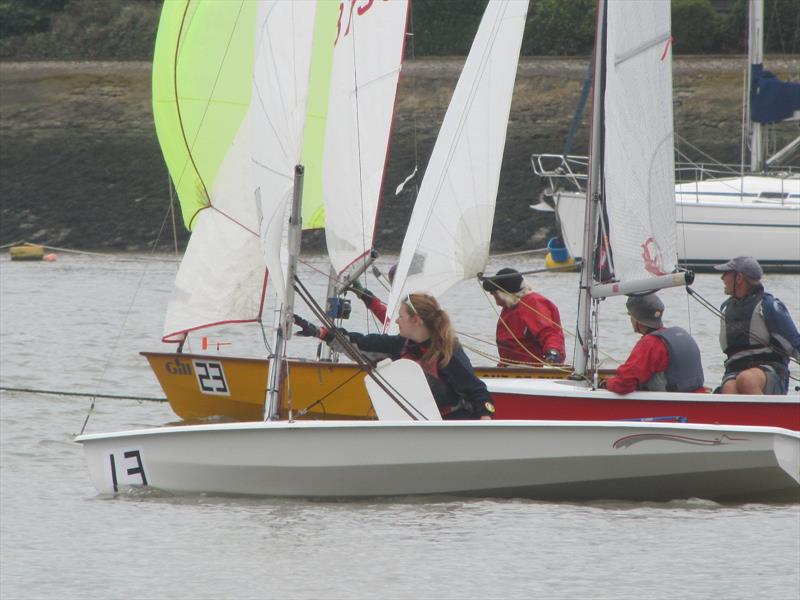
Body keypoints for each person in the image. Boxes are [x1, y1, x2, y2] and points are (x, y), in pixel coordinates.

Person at [293, 292, 495, 419]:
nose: (396, 321)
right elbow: (359, 343)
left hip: (450, 425)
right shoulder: (399, 345)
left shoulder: (448, 352)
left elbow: (477, 392)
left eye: (401, 316)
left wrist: (485, 421)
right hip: (416, 425)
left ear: (416, 320)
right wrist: (320, 333)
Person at [714, 256, 800, 395]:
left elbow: (795, 344)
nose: (722, 278)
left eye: (726, 273)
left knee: (747, 380)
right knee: (729, 388)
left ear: (739, 278)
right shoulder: (725, 308)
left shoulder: (768, 305)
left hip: (770, 370)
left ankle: (769, 416)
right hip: (735, 370)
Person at [605, 293, 705, 394]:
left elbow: (624, 384)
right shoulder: (680, 334)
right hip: (698, 400)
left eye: (630, 315)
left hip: (670, 405)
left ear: (637, 319)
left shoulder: (651, 343)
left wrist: (606, 383)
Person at [482, 267, 565, 366]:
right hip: (510, 367)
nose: (496, 302)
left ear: (504, 294)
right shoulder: (510, 305)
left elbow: (549, 333)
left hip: (532, 371)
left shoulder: (532, 304)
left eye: (494, 294)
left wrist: (553, 351)